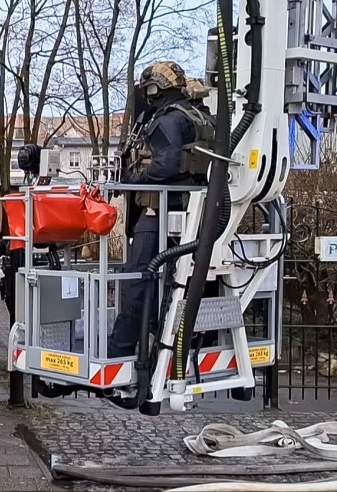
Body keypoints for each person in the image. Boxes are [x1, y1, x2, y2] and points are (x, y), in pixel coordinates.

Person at [107, 61, 215, 358]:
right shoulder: (200, 116)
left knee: (137, 280)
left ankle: (120, 350)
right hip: (193, 212)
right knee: (181, 280)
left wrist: (132, 180)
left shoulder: (167, 120)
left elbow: (164, 166)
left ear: (155, 89)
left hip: (158, 212)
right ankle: (182, 342)